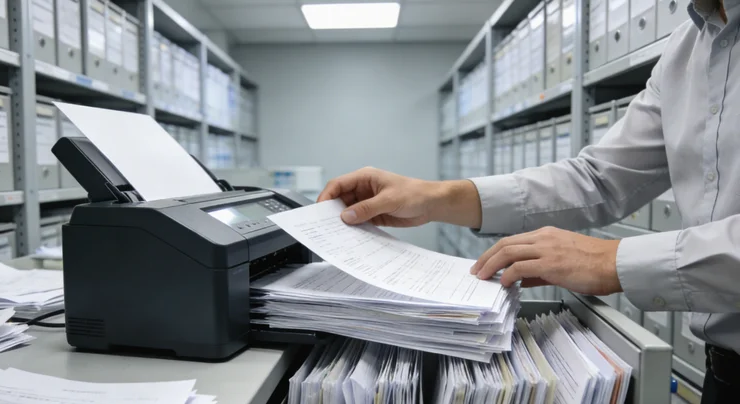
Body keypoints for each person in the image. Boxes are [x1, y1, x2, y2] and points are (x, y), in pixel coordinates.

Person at [317, 0, 740, 401]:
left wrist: (612, 261)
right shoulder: (687, 48)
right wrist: (433, 197)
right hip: (722, 371)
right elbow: (600, 179)